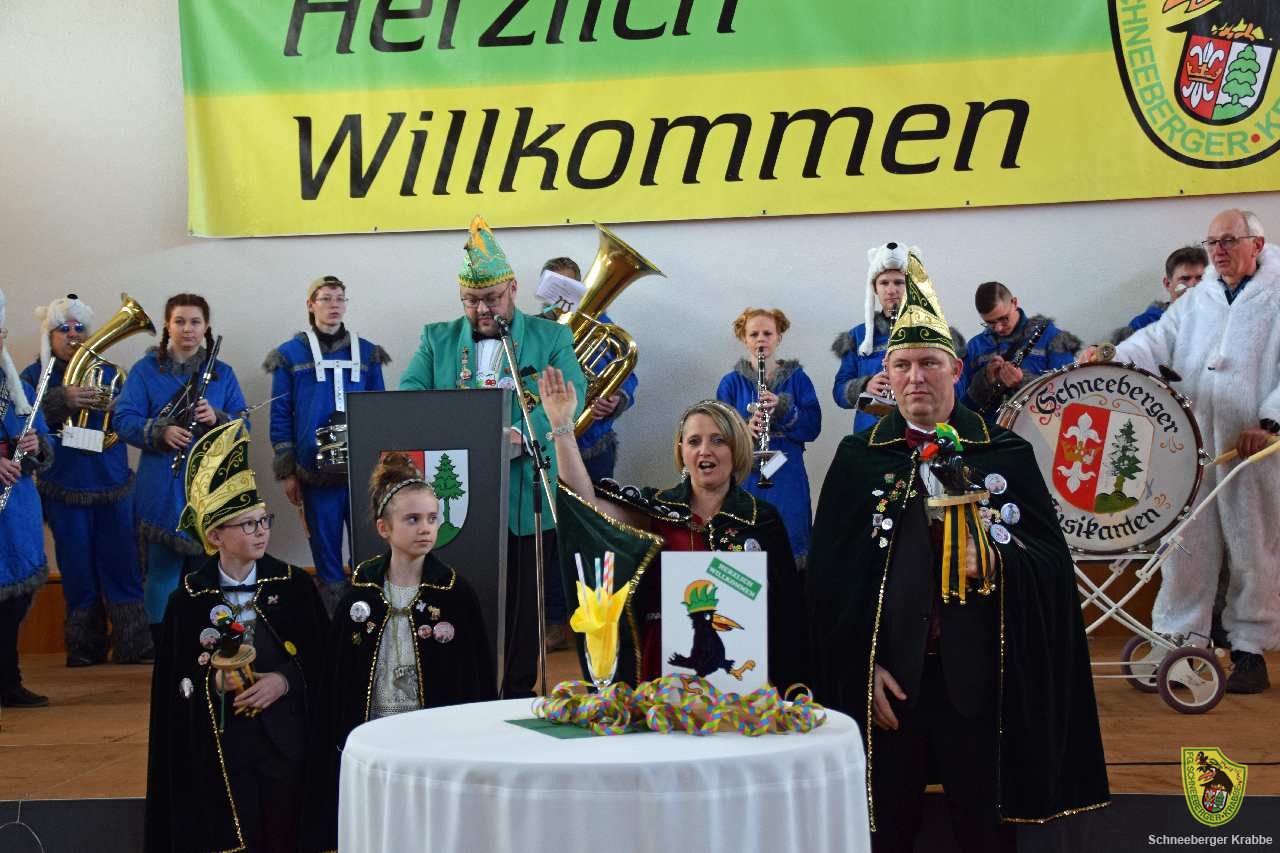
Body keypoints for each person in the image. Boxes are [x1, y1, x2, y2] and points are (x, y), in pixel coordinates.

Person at [807, 265, 1109, 851]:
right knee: (885, 831)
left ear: (957, 369)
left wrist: (998, 561)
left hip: (983, 686)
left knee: (984, 834)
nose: (915, 377)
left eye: (929, 363)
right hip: (889, 686)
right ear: (887, 373)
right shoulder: (857, 458)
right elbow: (828, 584)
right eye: (902, 365)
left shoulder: (1005, 452)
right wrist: (859, 667)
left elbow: (1052, 567)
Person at [1089, 209, 1280, 693]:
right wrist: (1109, 358)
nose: (1218, 251)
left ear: (1256, 245)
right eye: (1212, 242)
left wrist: (1270, 420)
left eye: (1228, 240)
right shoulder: (1199, 298)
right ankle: (1178, 636)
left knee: (1253, 547)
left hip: (1254, 448)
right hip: (1193, 442)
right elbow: (1155, 341)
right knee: (1185, 543)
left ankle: (1250, 648)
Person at [399, 216, 587, 697]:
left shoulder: (550, 338)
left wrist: (526, 435)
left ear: (514, 289)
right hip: (455, 498)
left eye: (492, 298)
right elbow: (410, 397)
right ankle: (459, 694)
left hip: (526, 497)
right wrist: (465, 436)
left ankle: (518, 694)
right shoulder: (437, 339)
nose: (482, 309)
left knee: (524, 612)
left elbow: (570, 395)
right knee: (457, 602)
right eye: (471, 300)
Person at [540, 367, 808, 689]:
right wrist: (562, 428)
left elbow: (787, 617)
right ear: (682, 451)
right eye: (694, 441)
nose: (705, 450)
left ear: (736, 448)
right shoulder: (655, 509)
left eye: (718, 440)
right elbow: (585, 505)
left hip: (741, 677)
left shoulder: (761, 519)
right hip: (659, 669)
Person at [145, 419, 327, 853]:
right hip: (222, 748)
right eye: (247, 524)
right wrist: (212, 681)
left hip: (285, 742)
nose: (261, 531)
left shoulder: (294, 587)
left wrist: (283, 680)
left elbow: (324, 664)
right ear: (215, 536)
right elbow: (174, 687)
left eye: (263, 520)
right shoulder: (189, 600)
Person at [308, 453, 494, 851]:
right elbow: (337, 680)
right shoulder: (361, 593)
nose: (425, 528)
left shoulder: (455, 594)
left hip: (434, 741)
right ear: (384, 528)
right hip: (373, 734)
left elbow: (474, 678)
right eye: (412, 519)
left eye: (431, 518)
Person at [20, 294, 151, 667]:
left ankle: (133, 642)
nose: (73, 334)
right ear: (50, 335)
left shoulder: (110, 372)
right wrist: (61, 400)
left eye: (79, 328)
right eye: (64, 329)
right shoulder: (32, 376)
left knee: (124, 565)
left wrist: (118, 406)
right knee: (77, 568)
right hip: (65, 486)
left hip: (112, 482)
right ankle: (84, 645)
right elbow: (25, 422)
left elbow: (132, 420)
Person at [114, 294, 248, 642]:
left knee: (208, 573)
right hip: (161, 484)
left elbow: (243, 427)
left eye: (195, 322)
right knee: (162, 571)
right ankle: (164, 647)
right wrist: (160, 432)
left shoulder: (223, 373)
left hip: (210, 486)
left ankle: (206, 646)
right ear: (167, 326)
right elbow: (123, 420)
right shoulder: (145, 371)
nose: (188, 329)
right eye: (180, 321)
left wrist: (216, 418)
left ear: (206, 328)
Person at [264, 274, 390, 615]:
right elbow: (280, 414)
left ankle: (372, 617)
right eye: (325, 298)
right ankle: (335, 622)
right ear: (311, 305)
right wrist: (288, 471)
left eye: (339, 298)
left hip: (362, 473)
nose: (334, 305)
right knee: (326, 553)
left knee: (371, 547)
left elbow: (381, 410)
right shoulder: (289, 355)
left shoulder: (368, 353)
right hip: (314, 473)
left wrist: (384, 467)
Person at [538, 255, 639, 651]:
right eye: (555, 286)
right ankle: (552, 619)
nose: (563, 295)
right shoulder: (533, 329)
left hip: (594, 448)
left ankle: (595, 614)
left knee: (593, 530)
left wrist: (615, 399)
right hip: (547, 446)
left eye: (571, 286)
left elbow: (628, 379)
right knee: (550, 535)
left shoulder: (605, 328)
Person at [716, 307, 821, 566]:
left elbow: (812, 428)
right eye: (754, 334)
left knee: (790, 535)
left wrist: (784, 410)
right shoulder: (731, 383)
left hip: (787, 473)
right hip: (745, 475)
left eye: (767, 333)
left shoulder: (798, 379)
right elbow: (718, 434)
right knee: (746, 535)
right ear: (744, 339)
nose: (761, 339)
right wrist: (744, 429)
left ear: (779, 337)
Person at [834, 243, 966, 433]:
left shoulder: (939, 332)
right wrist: (865, 385)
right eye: (884, 283)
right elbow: (839, 393)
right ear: (874, 288)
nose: (891, 290)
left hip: (926, 431)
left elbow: (960, 386)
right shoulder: (858, 336)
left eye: (899, 282)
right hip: (871, 433)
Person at [0, 290, 54, 708]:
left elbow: (42, 445)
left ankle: (8, 679)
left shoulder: (16, 386)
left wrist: (35, 446)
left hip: (16, 507)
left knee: (16, 600)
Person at [962, 280, 1080, 419]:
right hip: (990, 430)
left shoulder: (1052, 338)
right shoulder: (975, 347)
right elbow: (962, 409)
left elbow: (1069, 397)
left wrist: (1023, 382)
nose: (998, 328)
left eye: (1004, 319)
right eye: (990, 323)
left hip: (1038, 427)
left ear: (1014, 302)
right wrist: (985, 380)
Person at [1111, 245, 1207, 343]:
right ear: (1168, 284)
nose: (1193, 285)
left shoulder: (1214, 321)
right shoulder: (1143, 326)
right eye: (1185, 279)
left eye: (1200, 278)